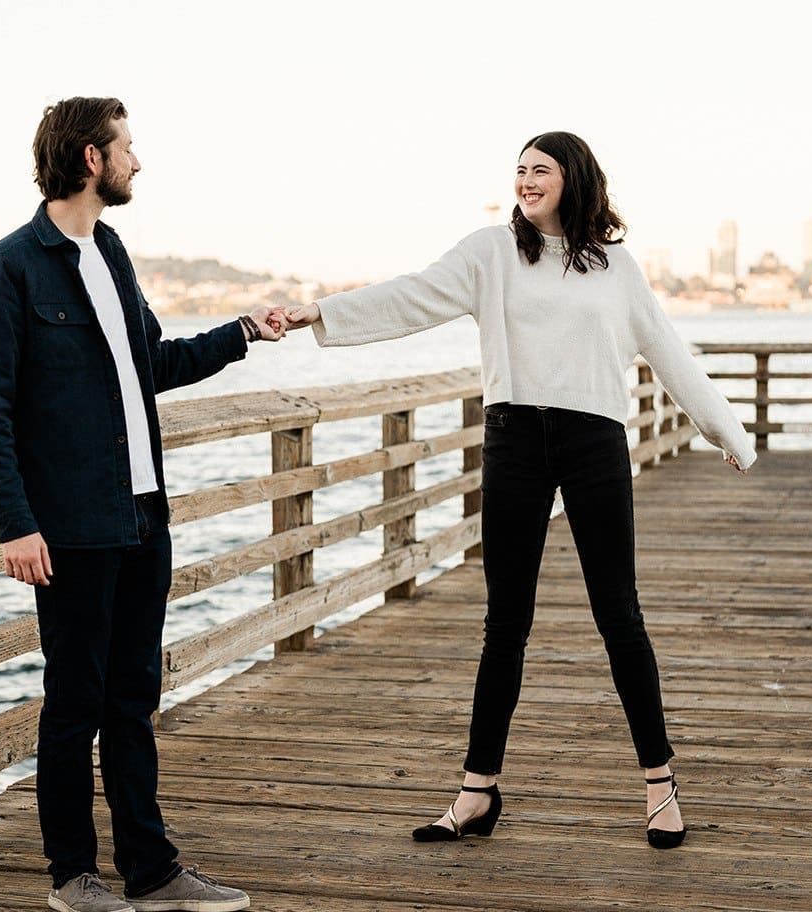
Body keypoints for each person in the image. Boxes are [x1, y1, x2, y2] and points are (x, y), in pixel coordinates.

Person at [283, 131, 755, 849]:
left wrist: (729, 434)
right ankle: (477, 790)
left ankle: (660, 784)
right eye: (519, 171)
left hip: (594, 441)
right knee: (505, 619)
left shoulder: (617, 268)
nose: (526, 180)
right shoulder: (490, 253)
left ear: (575, 177)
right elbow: (412, 297)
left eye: (541, 170)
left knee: (618, 613)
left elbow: (667, 351)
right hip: (513, 439)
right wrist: (323, 312)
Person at [0, 96, 284, 912]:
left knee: (134, 696)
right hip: (68, 525)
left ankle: (151, 867)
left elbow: (154, 364)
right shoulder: (10, 269)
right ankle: (73, 870)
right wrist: (13, 521)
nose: (139, 161)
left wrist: (244, 331)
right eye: (128, 147)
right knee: (76, 699)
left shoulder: (111, 252)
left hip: (142, 515)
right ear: (90, 160)